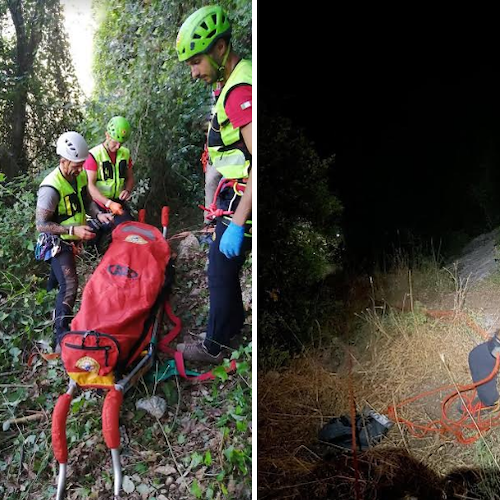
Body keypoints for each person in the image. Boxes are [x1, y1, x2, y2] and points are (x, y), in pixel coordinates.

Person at [175, 5, 252, 364]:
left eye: (196, 62)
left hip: (245, 200)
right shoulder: (230, 81)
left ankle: (216, 345)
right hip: (233, 193)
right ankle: (234, 324)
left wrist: (237, 223)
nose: (193, 72)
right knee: (222, 265)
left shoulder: (240, 92)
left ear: (220, 49)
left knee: (220, 267)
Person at [35, 131, 114, 348]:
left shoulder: (77, 176)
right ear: (63, 160)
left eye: (82, 164)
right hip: (56, 241)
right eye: (76, 164)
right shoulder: (50, 188)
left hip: (72, 237)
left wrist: (99, 214)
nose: (81, 169)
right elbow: (41, 225)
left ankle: (45, 304)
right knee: (69, 284)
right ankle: (61, 336)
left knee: (58, 279)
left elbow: (87, 200)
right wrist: (73, 230)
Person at [84, 116, 135, 226]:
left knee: (128, 228)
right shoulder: (94, 156)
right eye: (115, 143)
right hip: (98, 204)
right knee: (99, 231)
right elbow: (90, 186)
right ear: (107, 135)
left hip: (118, 203)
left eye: (121, 144)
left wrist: (127, 190)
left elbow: (130, 177)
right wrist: (108, 203)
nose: (117, 147)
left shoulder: (125, 153)